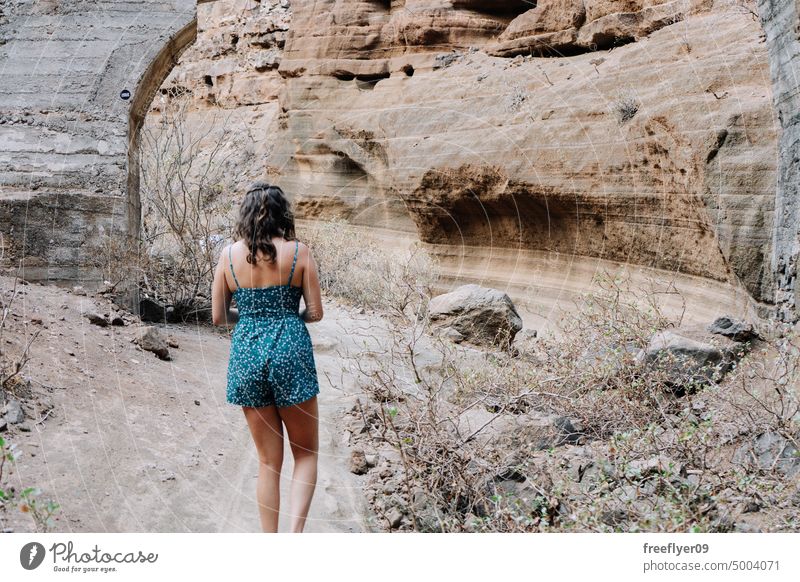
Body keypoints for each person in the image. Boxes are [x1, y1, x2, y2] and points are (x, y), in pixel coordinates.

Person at [211, 181, 324, 533]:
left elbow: (217, 317)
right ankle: (294, 539)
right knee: (304, 454)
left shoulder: (228, 256)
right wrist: (290, 318)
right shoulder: (299, 252)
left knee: (267, 462)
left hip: (247, 352)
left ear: (245, 215)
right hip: (291, 348)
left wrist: (249, 319)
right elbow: (316, 312)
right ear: (282, 213)